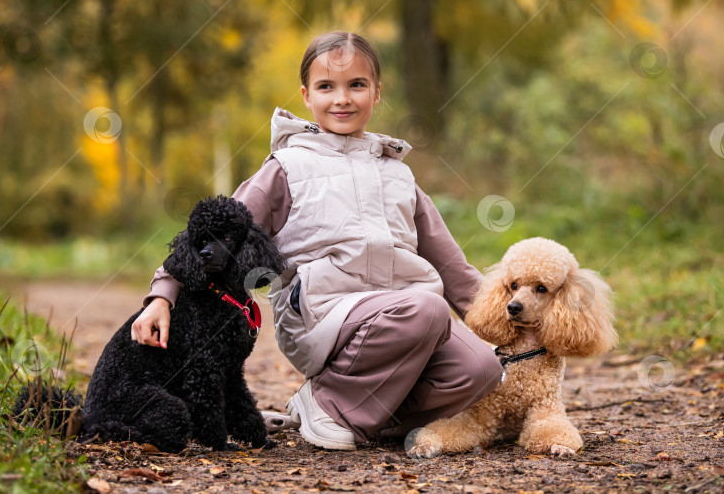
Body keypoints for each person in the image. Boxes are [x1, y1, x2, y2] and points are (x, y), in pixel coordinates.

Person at [131, 31, 503, 450]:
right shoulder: (287, 167)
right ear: (306, 96)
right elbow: (217, 233)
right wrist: (162, 296)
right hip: (324, 317)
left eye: (356, 85)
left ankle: (370, 419)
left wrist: (514, 329)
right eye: (327, 87)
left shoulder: (399, 175)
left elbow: (452, 267)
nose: (342, 98)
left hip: (408, 317)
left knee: (482, 369)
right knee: (426, 309)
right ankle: (328, 401)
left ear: (377, 93)